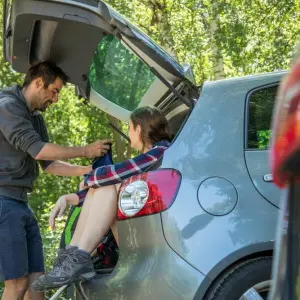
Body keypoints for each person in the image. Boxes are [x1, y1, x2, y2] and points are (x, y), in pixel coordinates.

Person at [0, 61, 111, 300]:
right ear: (39, 83)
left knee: (36, 285)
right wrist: (85, 150)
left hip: (19, 203)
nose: (57, 98)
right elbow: (39, 150)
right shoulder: (7, 107)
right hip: (3, 202)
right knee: (17, 284)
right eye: (55, 90)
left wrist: (89, 171)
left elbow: (49, 165)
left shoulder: (35, 118)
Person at [31, 106, 171, 291]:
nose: (128, 133)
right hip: (139, 235)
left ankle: (78, 257)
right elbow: (107, 194)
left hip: (149, 240)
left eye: (129, 128)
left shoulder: (161, 151)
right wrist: (69, 198)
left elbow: (117, 173)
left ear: (138, 129)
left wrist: (92, 178)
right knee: (106, 184)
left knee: (107, 182)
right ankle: (72, 256)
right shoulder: (150, 157)